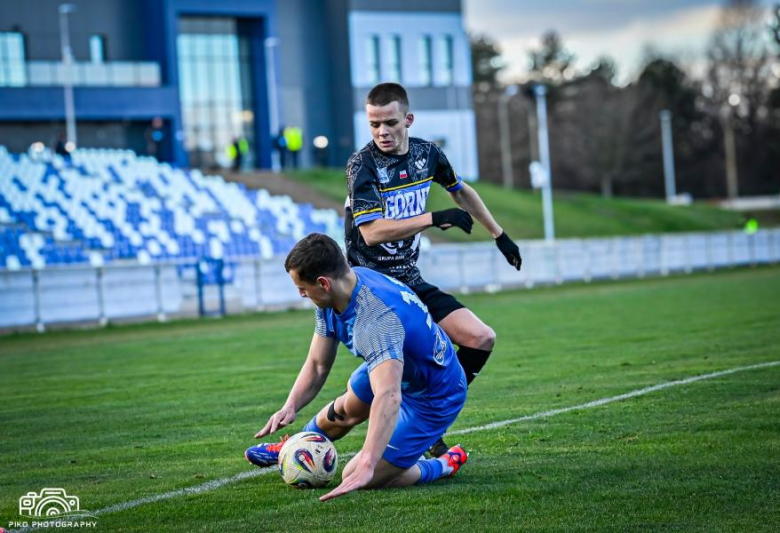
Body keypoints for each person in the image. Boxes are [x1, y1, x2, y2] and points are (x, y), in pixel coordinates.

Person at [342, 82, 522, 456]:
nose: (381, 132)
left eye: (390, 122)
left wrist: (499, 234)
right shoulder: (363, 166)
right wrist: (432, 217)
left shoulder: (427, 155)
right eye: (374, 124)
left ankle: (428, 412)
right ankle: (303, 440)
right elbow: (372, 233)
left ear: (408, 119)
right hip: (372, 288)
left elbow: (459, 190)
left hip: (409, 281)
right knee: (358, 402)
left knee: (480, 338)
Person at [245, 233, 469, 501]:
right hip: (395, 364)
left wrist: (367, 463)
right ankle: (294, 446)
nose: (301, 294)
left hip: (434, 394)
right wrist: (290, 405)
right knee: (345, 409)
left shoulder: (375, 320)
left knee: (358, 475)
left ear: (323, 283)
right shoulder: (339, 289)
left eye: (302, 288)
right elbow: (318, 364)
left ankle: (442, 464)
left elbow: (389, 396)